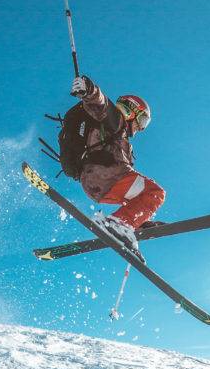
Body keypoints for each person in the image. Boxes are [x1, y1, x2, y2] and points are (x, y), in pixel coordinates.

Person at [71, 75, 165, 262]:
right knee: (156, 192)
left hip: (97, 183)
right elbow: (101, 105)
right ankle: (119, 223)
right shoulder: (115, 120)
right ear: (131, 110)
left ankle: (131, 223)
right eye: (142, 120)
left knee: (141, 195)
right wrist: (89, 90)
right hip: (107, 175)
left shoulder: (120, 136)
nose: (140, 128)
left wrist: (142, 220)